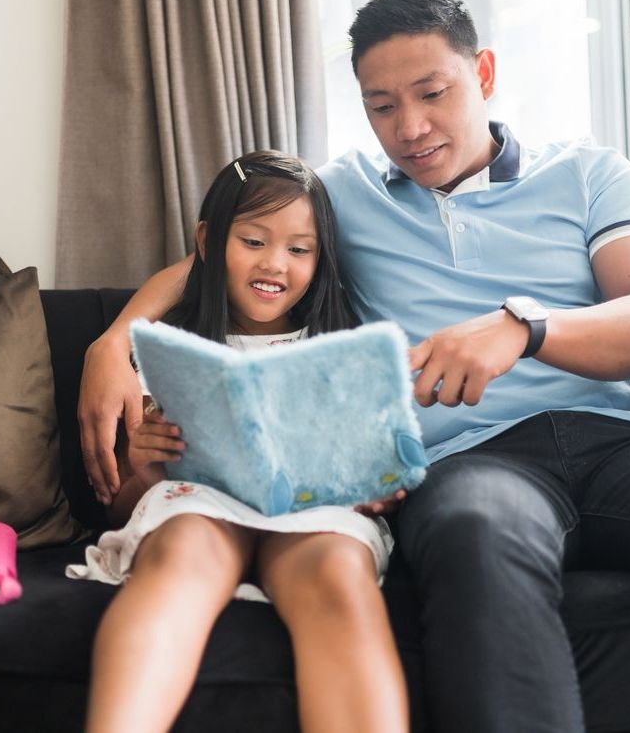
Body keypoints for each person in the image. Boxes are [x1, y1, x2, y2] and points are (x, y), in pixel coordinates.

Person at [78, 0, 630, 732]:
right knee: (479, 536)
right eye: (381, 106)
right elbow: (227, 252)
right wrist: (112, 344)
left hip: (621, 447)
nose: (410, 127)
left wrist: (523, 328)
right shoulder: (343, 195)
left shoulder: (588, 173)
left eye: (432, 93)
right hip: (469, 461)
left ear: (484, 73)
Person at [67, 151, 409, 733]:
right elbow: (122, 504)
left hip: (312, 516)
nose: (275, 263)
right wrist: (144, 467)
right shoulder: (169, 352)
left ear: (321, 258)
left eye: (299, 250)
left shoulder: (341, 350)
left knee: (338, 577)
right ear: (208, 240)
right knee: (179, 558)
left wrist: (378, 486)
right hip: (198, 511)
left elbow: (383, 468)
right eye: (253, 241)